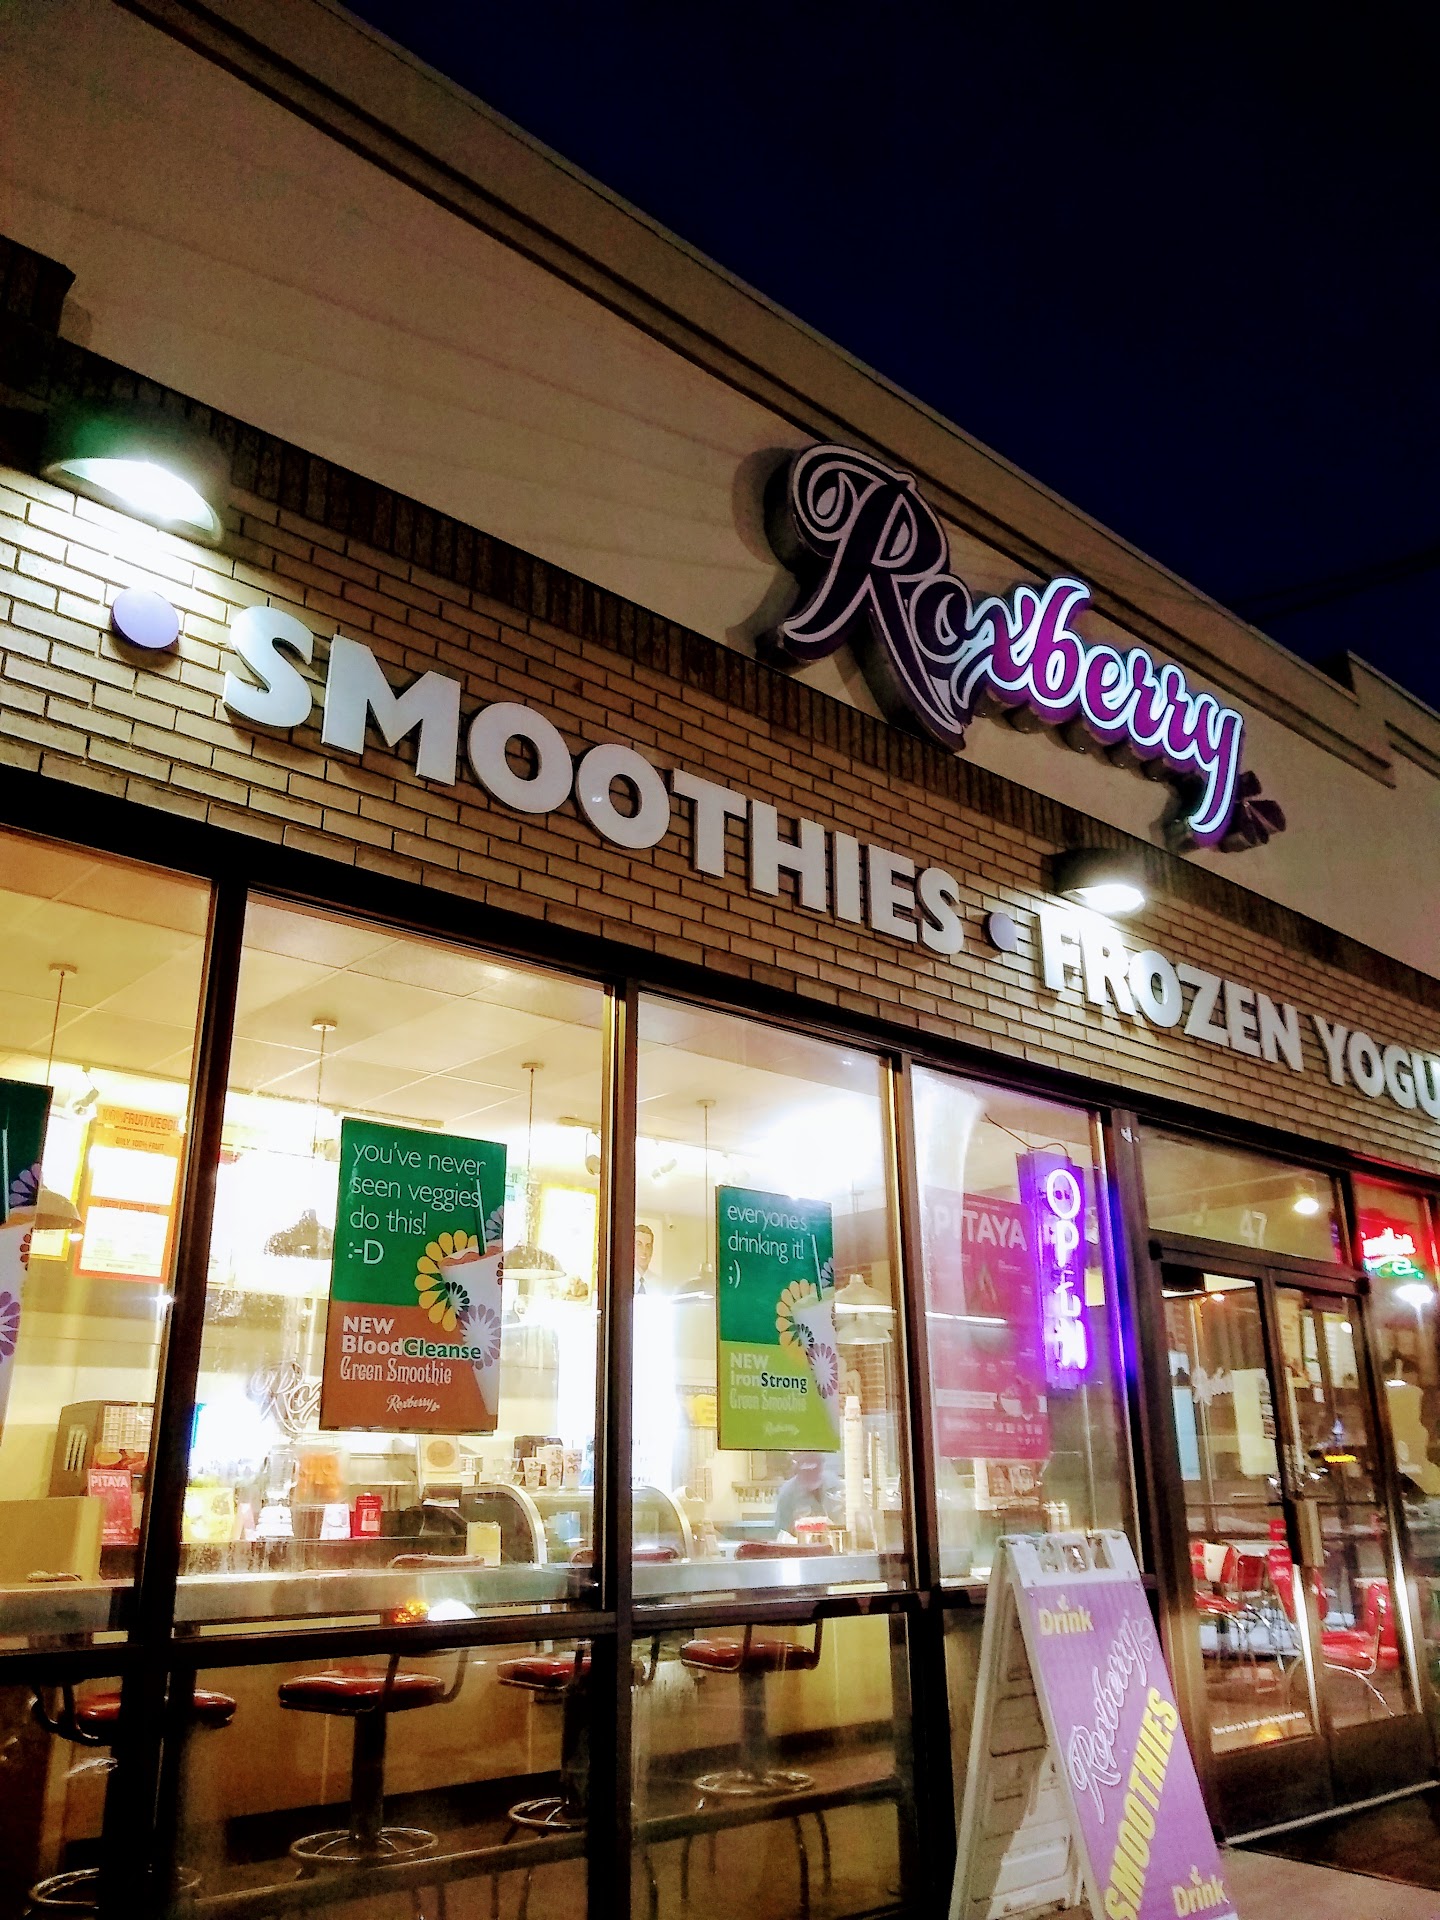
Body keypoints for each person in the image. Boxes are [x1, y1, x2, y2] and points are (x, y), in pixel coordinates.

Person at [773, 1451, 844, 1538]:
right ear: (798, 1470)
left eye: (815, 1469)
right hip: (803, 1543)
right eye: (807, 1471)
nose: (812, 1474)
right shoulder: (787, 1493)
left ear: (821, 1467)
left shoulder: (834, 1484)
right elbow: (781, 1531)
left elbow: (845, 1520)